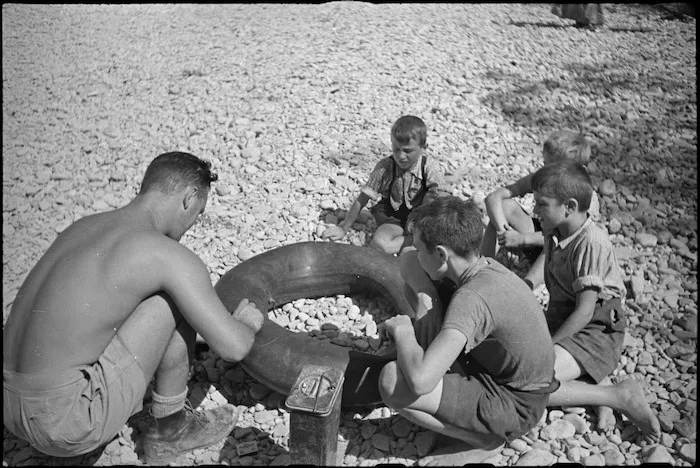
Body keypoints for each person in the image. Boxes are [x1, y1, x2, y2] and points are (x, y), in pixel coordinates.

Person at [3, 152, 266, 465]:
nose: (194, 223)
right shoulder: (165, 255)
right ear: (190, 197)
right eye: (199, 212)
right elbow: (233, 348)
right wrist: (247, 323)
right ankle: (172, 431)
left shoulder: (84, 226)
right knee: (174, 297)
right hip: (64, 425)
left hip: (9, 406)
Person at [379, 196, 560, 466]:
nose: (415, 253)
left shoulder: (471, 300)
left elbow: (420, 381)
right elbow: (406, 259)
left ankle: (484, 441)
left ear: (441, 254)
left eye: (420, 249)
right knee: (424, 298)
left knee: (392, 380)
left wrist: (404, 329)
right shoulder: (484, 267)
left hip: (513, 404)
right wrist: (428, 296)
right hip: (507, 377)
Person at [530, 161, 660, 441]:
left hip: (595, 329)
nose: (534, 210)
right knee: (514, 357)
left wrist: (548, 346)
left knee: (532, 381)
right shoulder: (555, 227)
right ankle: (595, 379)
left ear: (569, 206)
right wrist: (526, 285)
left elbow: (585, 311)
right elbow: (547, 262)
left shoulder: (591, 242)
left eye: (541, 204)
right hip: (562, 318)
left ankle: (615, 395)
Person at [481, 129, 600, 290]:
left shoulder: (585, 196)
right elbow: (494, 198)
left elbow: (572, 236)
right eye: (545, 164)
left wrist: (522, 239)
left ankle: (526, 287)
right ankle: (482, 270)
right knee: (505, 207)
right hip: (538, 234)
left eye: (551, 166)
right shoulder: (543, 178)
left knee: (556, 239)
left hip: (563, 252)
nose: (545, 170)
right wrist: (506, 236)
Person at [321, 115, 444, 255]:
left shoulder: (429, 167)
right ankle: (417, 242)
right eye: (396, 149)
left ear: (423, 147)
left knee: (436, 204)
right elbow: (362, 200)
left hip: (420, 216)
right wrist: (343, 229)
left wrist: (426, 219)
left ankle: (416, 239)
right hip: (394, 216)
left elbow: (441, 196)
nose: (401, 156)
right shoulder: (385, 168)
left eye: (407, 151)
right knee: (380, 243)